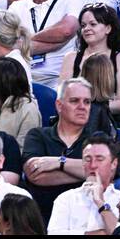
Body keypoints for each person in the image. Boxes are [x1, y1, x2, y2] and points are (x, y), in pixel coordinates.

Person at [22, 76, 99, 218]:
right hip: (42, 217)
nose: (82, 107)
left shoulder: (97, 140)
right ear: (59, 105)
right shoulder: (38, 135)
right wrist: (88, 175)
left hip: (85, 217)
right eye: (74, 101)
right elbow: (36, 176)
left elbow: (105, 172)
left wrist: (60, 162)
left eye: (87, 102)